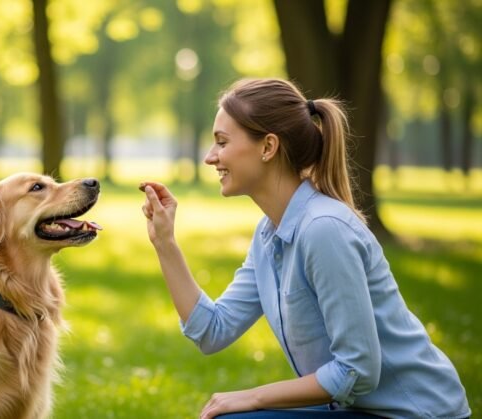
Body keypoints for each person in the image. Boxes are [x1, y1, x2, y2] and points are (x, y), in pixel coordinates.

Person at [140, 78, 471, 419]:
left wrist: (254, 397)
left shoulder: (323, 229)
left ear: (268, 147)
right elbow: (211, 331)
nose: (211, 157)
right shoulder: (270, 234)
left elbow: (356, 371)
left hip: (416, 413)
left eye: (222, 142)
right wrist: (164, 243)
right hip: (363, 409)